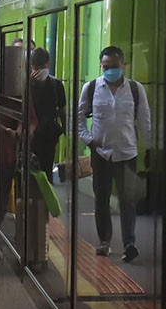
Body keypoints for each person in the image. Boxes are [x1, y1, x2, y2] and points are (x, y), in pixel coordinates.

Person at [78, 46, 151, 262]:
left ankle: (129, 243)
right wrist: (88, 139)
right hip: (101, 154)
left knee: (128, 201)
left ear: (123, 64)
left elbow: (145, 120)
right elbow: (79, 117)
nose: (110, 70)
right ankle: (104, 241)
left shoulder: (136, 90)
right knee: (101, 199)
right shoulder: (91, 88)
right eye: (105, 67)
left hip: (127, 153)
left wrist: (150, 147)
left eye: (114, 66)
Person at [28, 47, 66, 181]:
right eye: (36, 67)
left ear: (48, 64)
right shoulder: (26, 85)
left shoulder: (56, 85)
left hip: (49, 135)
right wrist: (29, 84)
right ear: (31, 67)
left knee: (47, 171)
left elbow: (62, 110)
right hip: (31, 136)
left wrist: (67, 132)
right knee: (30, 174)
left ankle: (45, 200)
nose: (39, 71)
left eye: (42, 67)